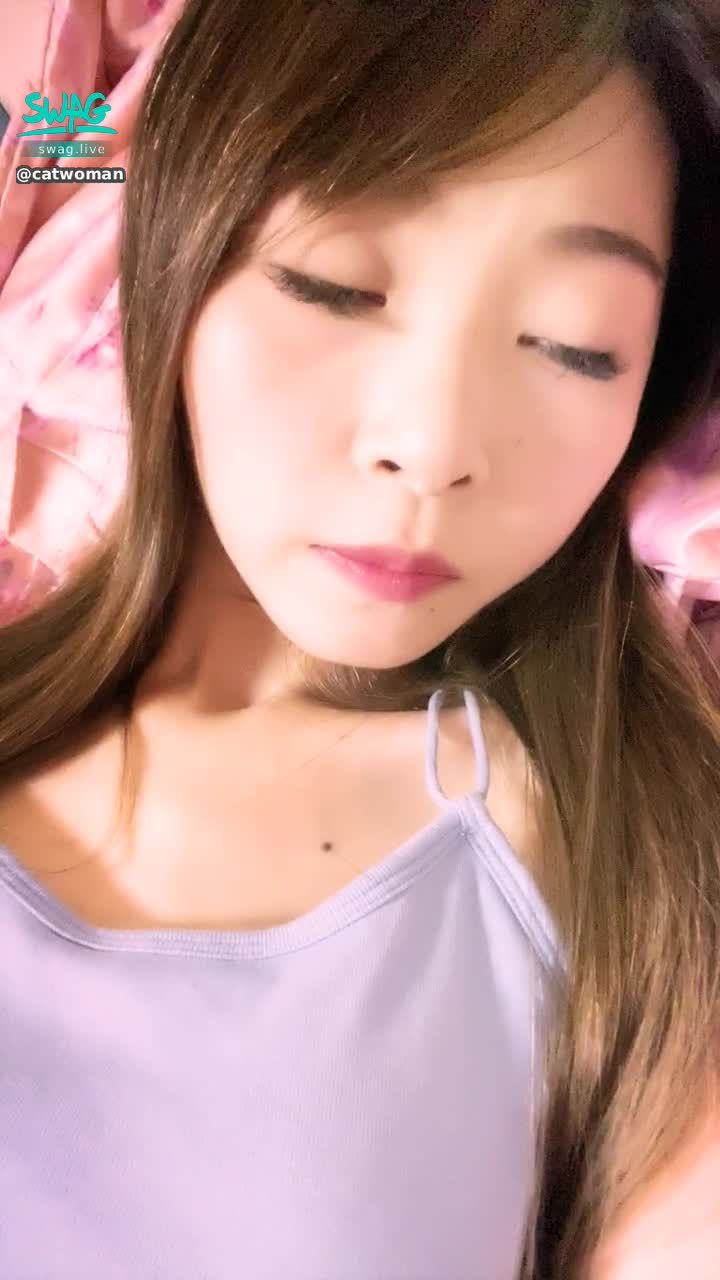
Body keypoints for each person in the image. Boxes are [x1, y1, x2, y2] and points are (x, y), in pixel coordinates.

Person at [0, 0, 718, 1276]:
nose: (431, 446)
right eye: (333, 282)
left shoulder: (638, 861)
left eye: (577, 345)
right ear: (172, 255)